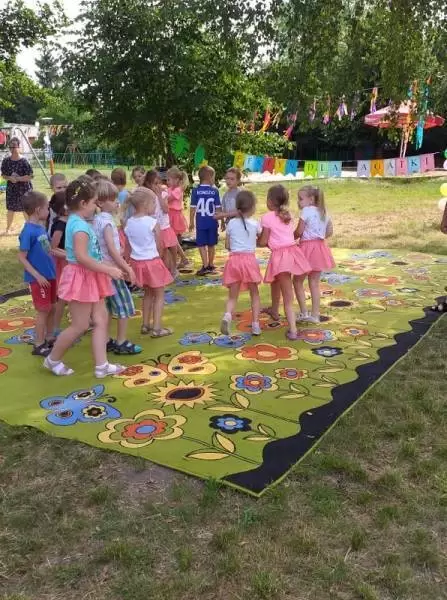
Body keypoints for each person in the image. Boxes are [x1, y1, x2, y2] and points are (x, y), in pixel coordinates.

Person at [44, 177, 125, 377]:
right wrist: (108, 269)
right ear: (83, 203)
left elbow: (90, 255)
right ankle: (52, 360)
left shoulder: (77, 222)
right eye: (94, 202)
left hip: (91, 276)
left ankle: (102, 365)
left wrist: (108, 267)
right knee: (80, 325)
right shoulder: (79, 227)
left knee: (101, 319)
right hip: (82, 278)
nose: (96, 206)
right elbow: (81, 258)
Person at [93, 179, 141, 355]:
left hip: (101, 270)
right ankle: (121, 341)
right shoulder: (106, 223)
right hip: (112, 272)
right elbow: (112, 251)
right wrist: (127, 268)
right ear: (100, 203)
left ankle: (106, 339)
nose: (116, 203)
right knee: (124, 305)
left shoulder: (96, 220)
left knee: (106, 308)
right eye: (112, 200)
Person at [258, 184, 310, 340]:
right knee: (275, 282)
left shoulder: (267, 217)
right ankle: (274, 310)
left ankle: (293, 330)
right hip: (292, 252)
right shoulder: (287, 215)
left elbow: (263, 241)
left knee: (288, 296)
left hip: (281, 257)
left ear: (270, 201)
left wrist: (254, 239)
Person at [124, 187, 174, 337]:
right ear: (146, 204)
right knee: (159, 295)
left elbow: (127, 247)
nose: (155, 207)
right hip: (152, 262)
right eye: (153, 203)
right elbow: (160, 245)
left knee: (147, 293)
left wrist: (127, 263)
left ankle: (145, 324)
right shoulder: (152, 222)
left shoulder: (129, 223)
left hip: (137, 263)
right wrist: (161, 258)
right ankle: (157, 328)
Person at [18, 191, 56, 356]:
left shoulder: (40, 227)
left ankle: (49, 337)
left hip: (50, 275)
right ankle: (39, 344)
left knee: (51, 308)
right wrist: (37, 276)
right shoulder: (28, 231)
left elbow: (48, 250)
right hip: (38, 279)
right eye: (47, 207)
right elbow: (22, 257)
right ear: (38, 210)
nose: (49, 210)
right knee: (43, 310)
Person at [221, 190, 262, 336]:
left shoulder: (231, 223)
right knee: (254, 294)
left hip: (234, 261)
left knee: (232, 296)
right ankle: (255, 324)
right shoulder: (255, 224)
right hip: (249, 261)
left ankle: (227, 315)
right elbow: (262, 239)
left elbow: (227, 245)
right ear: (252, 207)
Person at [293, 185, 335, 323]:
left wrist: (290, 238)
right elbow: (329, 232)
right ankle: (315, 315)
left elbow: (299, 231)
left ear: (311, 199)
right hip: (320, 248)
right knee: (314, 283)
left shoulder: (306, 211)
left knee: (297, 280)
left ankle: (304, 312)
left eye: (300, 198)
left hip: (306, 249)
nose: (298, 201)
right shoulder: (324, 212)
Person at [143, 170, 178, 277]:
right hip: (154, 228)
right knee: (161, 252)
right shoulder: (147, 196)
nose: (158, 186)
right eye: (155, 183)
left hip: (164, 227)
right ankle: (164, 271)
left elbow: (166, 210)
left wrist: (159, 195)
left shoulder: (163, 194)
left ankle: (173, 268)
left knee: (171, 248)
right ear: (148, 184)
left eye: (159, 183)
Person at [189, 165, 221, 275]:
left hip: (201, 222)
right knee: (211, 244)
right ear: (210, 177)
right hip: (212, 222)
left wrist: (191, 222)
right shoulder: (215, 191)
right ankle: (211, 264)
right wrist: (221, 221)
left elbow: (192, 208)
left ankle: (205, 265)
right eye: (214, 177)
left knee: (201, 244)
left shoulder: (195, 191)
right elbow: (218, 208)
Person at [1, 137, 33, 235]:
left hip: (24, 189)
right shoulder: (6, 161)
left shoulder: (24, 161)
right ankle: (8, 229)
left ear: (19, 147)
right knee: (10, 209)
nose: (12, 149)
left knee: (25, 209)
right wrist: (10, 178)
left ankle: (30, 229)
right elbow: (3, 175)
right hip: (12, 189)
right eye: (10, 147)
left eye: (14, 147)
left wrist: (18, 178)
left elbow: (30, 176)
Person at [49, 191, 69, 335]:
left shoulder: (69, 222)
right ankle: (55, 327)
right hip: (62, 264)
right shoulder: (60, 225)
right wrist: (69, 255)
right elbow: (53, 247)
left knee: (69, 295)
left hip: (68, 262)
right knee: (62, 297)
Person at [166, 166, 189, 240]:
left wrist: (161, 195)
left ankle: (178, 246)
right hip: (169, 213)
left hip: (175, 215)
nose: (167, 182)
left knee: (176, 234)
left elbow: (168, 199)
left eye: (169, 180)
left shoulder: (178, 190)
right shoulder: (169, 189)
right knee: (170, 234)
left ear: (176, 180)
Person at [219, 167, 242, 231]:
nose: (228, 181)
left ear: (238, 181)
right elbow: (223, 210)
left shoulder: (240, 194)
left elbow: (242, 211)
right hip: (229, 224)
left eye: (232, 179)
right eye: (227, 178)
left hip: (239, 225)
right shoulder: (225, 195)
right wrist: (222, 222)